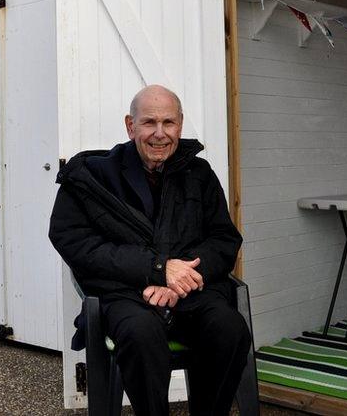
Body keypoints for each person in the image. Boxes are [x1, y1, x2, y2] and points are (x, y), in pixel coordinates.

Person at [49, 85, 250, 416]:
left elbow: (224, 239)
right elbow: (73, 240)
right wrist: (156, 269)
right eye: (149, 123)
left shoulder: (199, 174)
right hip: (128, 294)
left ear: (180, 125)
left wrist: (179, 277)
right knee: (141, 335)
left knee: (230, 330)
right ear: (130, 126)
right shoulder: (93, 176)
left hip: (192, 292)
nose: (160, 134)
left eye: (168, 123)